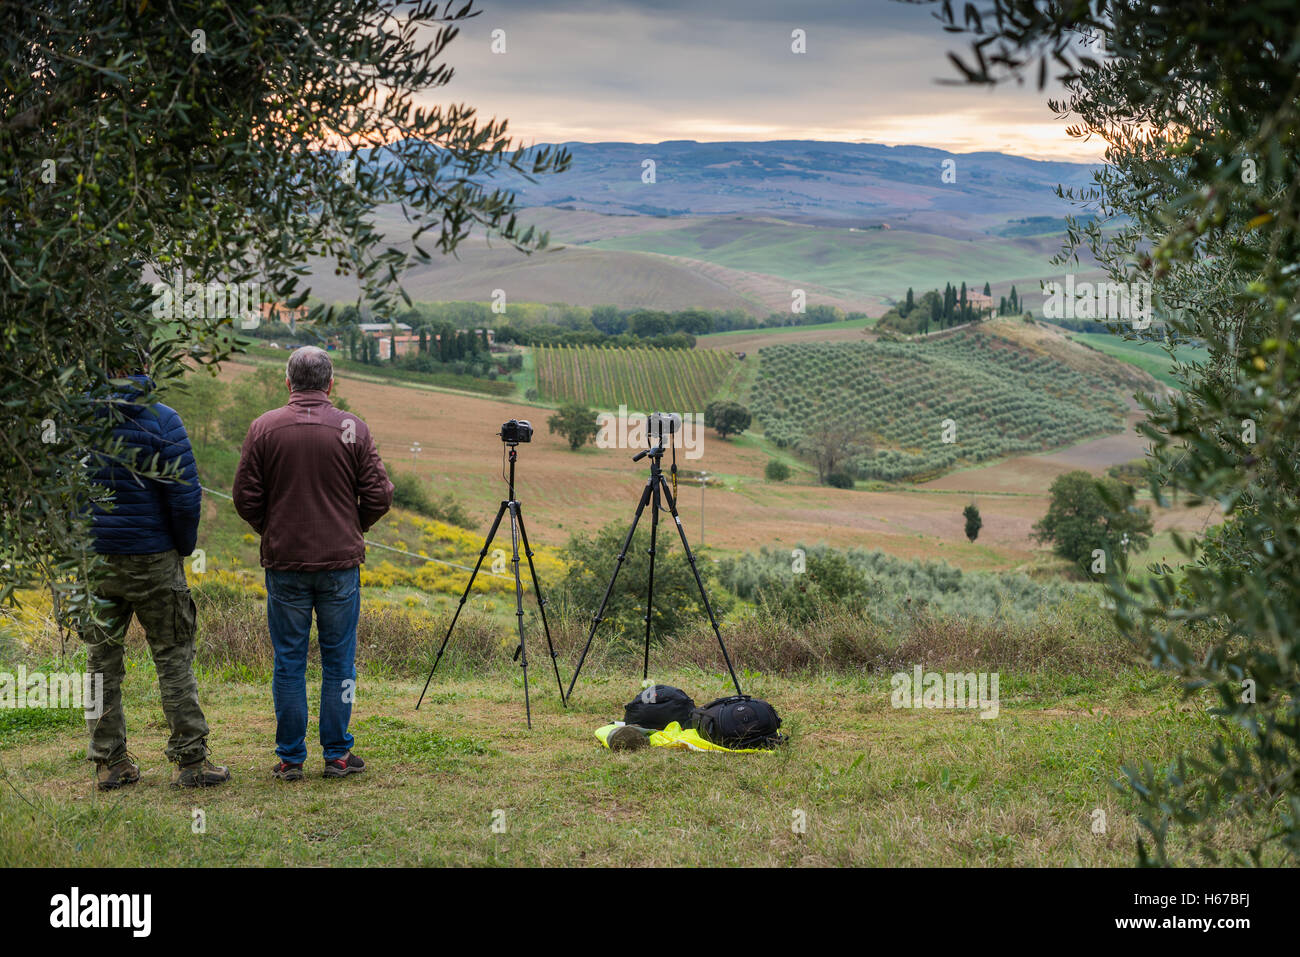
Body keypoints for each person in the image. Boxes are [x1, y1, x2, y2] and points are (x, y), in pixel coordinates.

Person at [232, 346, 393, 781]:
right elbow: (380, 495)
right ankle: (338, 755)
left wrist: (274, 528)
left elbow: (244, 498)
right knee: (340, 662)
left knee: (289, 661)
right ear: (330, 383)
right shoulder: (351, 428)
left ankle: (290, 759)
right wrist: (349, 527)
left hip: (285, 563)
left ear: (288, 382)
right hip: (340, 564)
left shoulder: (264, 428)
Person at [83, 360, 230, 790]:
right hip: (154, 557)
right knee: (173, 656)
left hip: (95, 559)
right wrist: (182, 547)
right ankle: (191, 761)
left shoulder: (76, 421)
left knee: (99, 665)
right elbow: (185, 497)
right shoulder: (164, 419)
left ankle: (109, 763)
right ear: (144, 364)